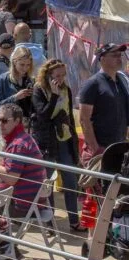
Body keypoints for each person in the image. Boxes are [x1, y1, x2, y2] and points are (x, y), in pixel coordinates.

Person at [32, 59, 84, 232]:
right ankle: (50, 222)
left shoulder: (66, 90)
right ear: (48, 76)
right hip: (47, 141)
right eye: (57, 76)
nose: (61, 79)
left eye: (63, 75)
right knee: (48, 183)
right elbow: (43, 115)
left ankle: (74, 220)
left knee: (70, 181)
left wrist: (74, 144)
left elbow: (68, 116)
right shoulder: (39, 90)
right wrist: (53, 95)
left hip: (65, 139)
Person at [0, 102, 47, 218]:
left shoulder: (18, 144)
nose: (0, 124)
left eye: (5, 121)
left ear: (17, 121)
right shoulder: (22, 137)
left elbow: (11, 178)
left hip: (22, 207)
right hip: (32, 203)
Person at [79, 43, 129, 164]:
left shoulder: (122, 81)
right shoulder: (93, 84)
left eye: (120, 55)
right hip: (100, 149)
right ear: (102, 58)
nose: (119, 58)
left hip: (119, 147)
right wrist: (96, 148)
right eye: (114, 55)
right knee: (102, 182)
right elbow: (84, 119)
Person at [0, 46, 34, 136]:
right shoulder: (3, 79)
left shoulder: (30, 80)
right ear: (14, 62)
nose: (25, 68)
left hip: (28, 128)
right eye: (22, 64)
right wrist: (15, 97)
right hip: (9, 127)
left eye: (28, 65)